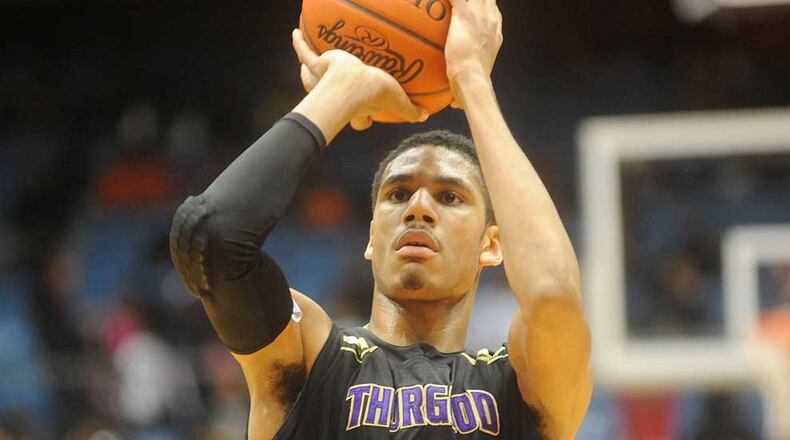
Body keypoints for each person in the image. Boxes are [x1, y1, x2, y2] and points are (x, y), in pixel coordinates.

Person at [169, 0, 592, 438]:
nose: (418, 208)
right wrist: (342, 90)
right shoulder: (313, 358)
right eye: (398, 193)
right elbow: (211, 241)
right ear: (372, 237)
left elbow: (553, 296)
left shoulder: (519, 388)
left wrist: (472, 81)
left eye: (449, 196)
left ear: (492, 245)